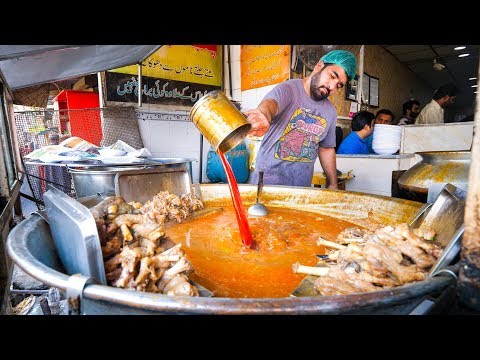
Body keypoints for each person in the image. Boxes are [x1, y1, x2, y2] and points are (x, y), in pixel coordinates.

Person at [244, 49, 357, 189]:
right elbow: (271, 104)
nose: (332, 87)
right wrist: (263, 115)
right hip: (267, 185)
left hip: (301, 188)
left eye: (339, 85)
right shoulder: (289, 89)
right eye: (332, 76)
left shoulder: (330, 112)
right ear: (319, 66)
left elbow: (326, 149)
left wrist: (332, 182)